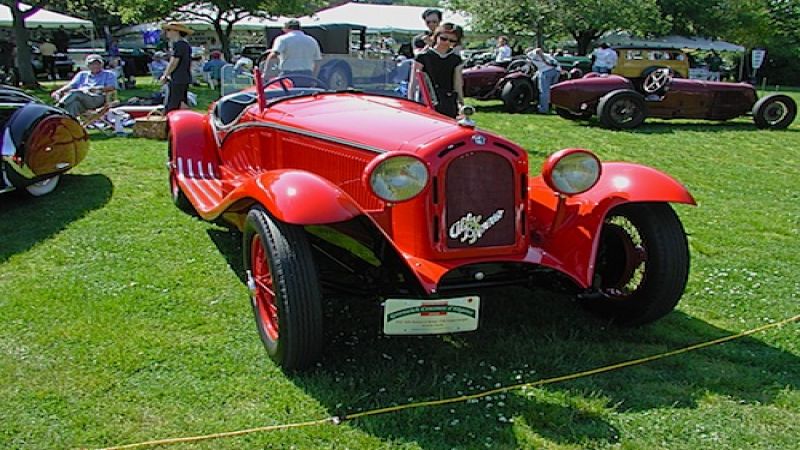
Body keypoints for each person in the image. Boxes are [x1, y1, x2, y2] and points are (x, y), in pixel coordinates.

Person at [408, 23, 465, 118]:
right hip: (426, 100)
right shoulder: (423, 56)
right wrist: (411, 102)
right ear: (436, 36)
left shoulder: (455, 59)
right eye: (443, 38)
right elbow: (413, 82)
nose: (446, 42)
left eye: (452, 40)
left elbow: (457, 84)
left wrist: (461, 104)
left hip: (448, 101)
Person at [50, 54, 117, 117]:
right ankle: (69, 124)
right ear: (88, 65)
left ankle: (57, 108)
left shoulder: (109, 74)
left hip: (96, 98)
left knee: (75, 93)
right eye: (92, 64)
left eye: (97, 64)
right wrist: (58, 92)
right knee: (74, 104)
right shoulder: (82, 74)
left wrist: (97, 89)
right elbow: (70, 85)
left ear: (102, 65)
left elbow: (112, 87)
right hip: (81, 99)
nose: (95, 66)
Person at [264, 19, 322, 86]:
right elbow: (317, 61)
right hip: (307, 76)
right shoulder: (312, 40)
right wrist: (314, 77)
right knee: (305, 95)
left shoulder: (282, 39)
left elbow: (273, 55)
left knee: (286, 95)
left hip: (288, 75)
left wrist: (265, 73)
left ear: (287, 28)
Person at [160, 22, 194, 113]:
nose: (166, 32)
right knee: (182, 103)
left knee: (172, 104)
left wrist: (165, 75)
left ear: (176, 31)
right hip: (184, 77)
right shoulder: (185, 45)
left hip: (178, 78)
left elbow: (174, 62)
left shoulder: (179, 45)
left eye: (168, 30)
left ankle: (169, 124)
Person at [528, 48, 560, 114]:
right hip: (556, 71)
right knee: (553, 90)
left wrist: (544, 60)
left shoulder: (531, 54)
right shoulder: (547, 55)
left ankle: (543, 109)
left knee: (544, 91)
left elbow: (538, 50)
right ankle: (554, 107)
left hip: (545, 71)